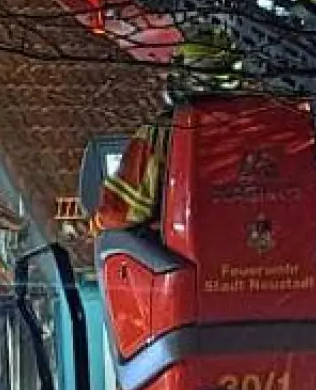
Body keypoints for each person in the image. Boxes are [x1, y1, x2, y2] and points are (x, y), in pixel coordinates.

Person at [93, 21, 244, 232]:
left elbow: (121, 211)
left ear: (181, 77)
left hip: (186, 249)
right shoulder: (263, 124)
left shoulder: (163, 133)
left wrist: (98, 222)